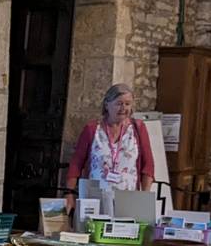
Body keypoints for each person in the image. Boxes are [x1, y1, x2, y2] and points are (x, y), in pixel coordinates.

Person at [64, 84, 155, 213]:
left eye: (127, 104)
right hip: (94, 199)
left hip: (128, 199)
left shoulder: (138, 128)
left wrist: (144, 197)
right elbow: (76, 164)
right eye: (119, 103)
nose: (124, 108)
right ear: (107, 105)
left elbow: (148, 165)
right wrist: (69, 193)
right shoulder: (92, 129)